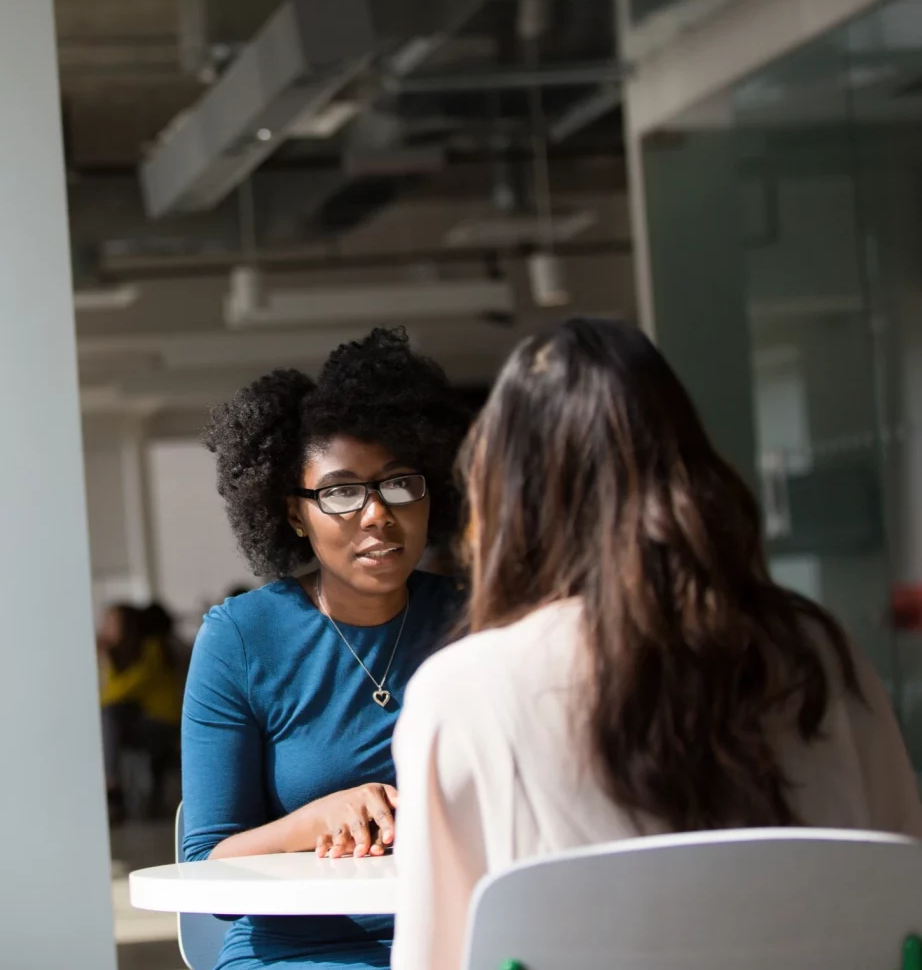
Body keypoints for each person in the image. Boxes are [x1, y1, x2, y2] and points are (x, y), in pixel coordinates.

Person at [391, 317, 922, 970]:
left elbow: (431, 959)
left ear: (508, 497)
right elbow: (906, 907)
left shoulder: (464, 693)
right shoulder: (817, 653)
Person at [183, 328, 468, 970]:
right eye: (341, 492)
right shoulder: (241, 638)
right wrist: (320, 820)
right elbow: (207, 871)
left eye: (399, 484)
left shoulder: (475, 620)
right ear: (293, 514)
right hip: (300, 953)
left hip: (463, 940)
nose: (376, 514)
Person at [99, 602, 183, 823]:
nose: (104, 628)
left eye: (110, 622)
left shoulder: (153, 650)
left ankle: (111, 785)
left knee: (108, 716)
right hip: (149, 724)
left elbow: (121, 691)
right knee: (108, 719)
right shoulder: (128, 655)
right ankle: (111, 786)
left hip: (163, 726)